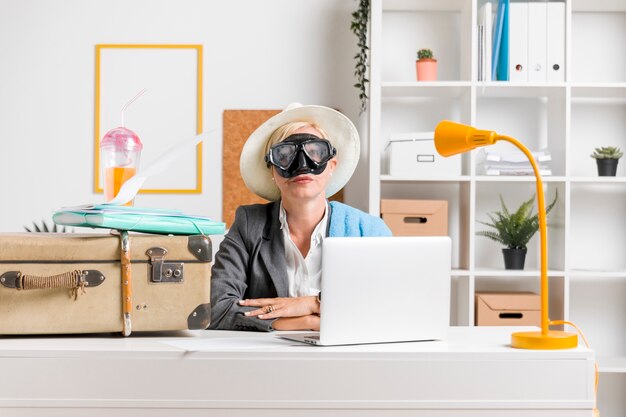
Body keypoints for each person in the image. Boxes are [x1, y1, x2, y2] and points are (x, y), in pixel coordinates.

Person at [209, 103, 391, 332]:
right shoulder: (249, 224)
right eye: (285, 156)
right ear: (273, 171)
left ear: (331, 165)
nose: (302, 166)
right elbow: (217, 310)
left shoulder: (369, 230)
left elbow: (389, 304)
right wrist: (305, 322)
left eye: (315, 153)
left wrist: (311, 303)